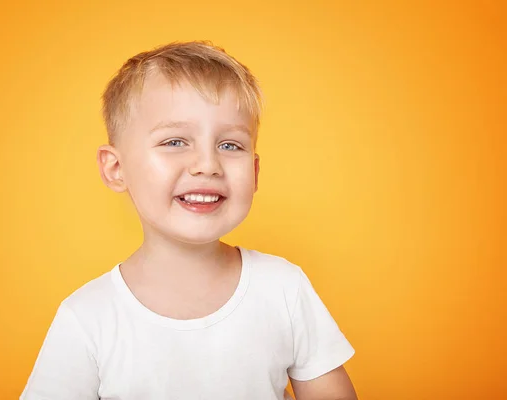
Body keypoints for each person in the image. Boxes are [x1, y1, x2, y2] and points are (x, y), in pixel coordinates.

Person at [20, 41, 357, 400]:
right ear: (116, 168)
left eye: (230, 145)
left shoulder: (284, 288)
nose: (208, 164)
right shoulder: (87, 318)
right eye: (175, 141)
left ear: (255, 172)